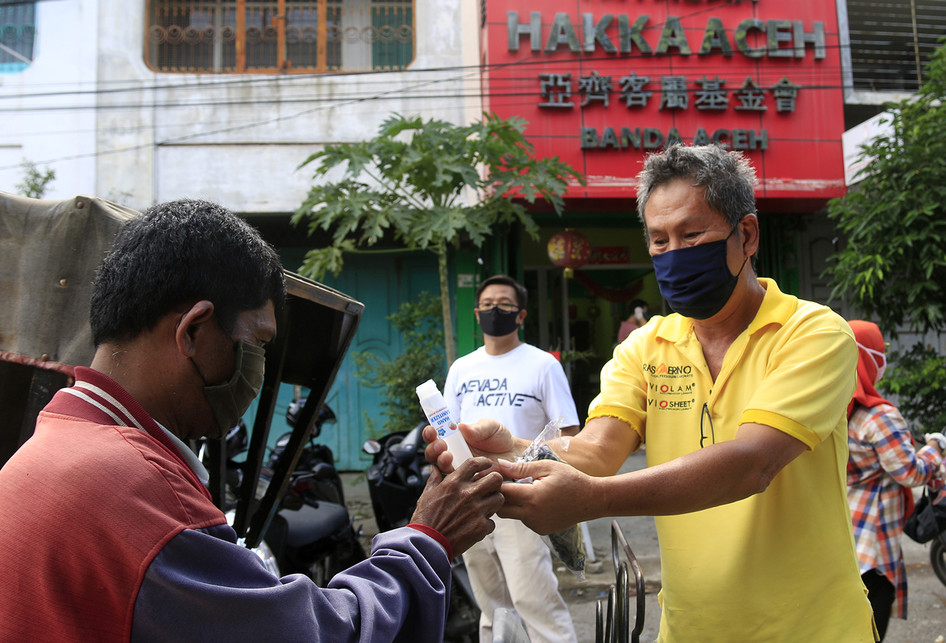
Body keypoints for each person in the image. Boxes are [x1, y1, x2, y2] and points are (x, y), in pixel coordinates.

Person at [426, 145, 877, 642]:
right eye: (659, 240)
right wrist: (509, 450)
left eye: (692, 234)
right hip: (688, 630)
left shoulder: (812, 333)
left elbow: (752, 463)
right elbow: (598, 450)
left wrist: (592, 500)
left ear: (746, 234)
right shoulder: (645, 346)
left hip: (813, 630)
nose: (674, 254)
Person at [0, 199, 504, 642]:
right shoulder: (136, 488)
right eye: (256, 346)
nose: (258, 372)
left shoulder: (44, 446)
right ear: (193, 331)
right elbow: (316, 634)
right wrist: (427, 538)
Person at [443, 274, 579, 643]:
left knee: (533, 600)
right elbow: (448, 432)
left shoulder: (542, 365)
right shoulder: (461, 369)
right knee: (491, 606)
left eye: (504, 304)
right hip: (471, 498)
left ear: (520, 315)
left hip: (520, 497)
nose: (494, 311)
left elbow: (569, 435)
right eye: (487, 305)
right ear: (476, 313)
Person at [845, 320, 945, 640]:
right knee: (871, 627)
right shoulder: (877, 417)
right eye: (880, 352)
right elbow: (909, 472)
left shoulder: (829, 410)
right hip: (872, 544)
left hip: (843, 537)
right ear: (869, 358)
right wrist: (935, 447)